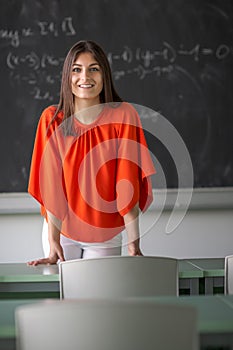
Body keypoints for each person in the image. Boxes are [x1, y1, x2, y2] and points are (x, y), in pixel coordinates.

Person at [28, 40, 155, 265]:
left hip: (105, 235)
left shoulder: (124, 115)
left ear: (104, 75)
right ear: (67, 76)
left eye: (93, 69)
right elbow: (51, 185)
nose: (85, 77)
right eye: (77, 69)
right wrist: (53, 241)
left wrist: (133, 244)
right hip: (62, 232)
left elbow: (128, 183)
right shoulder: (51, 119)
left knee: (98, 298)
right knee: (64, 299)